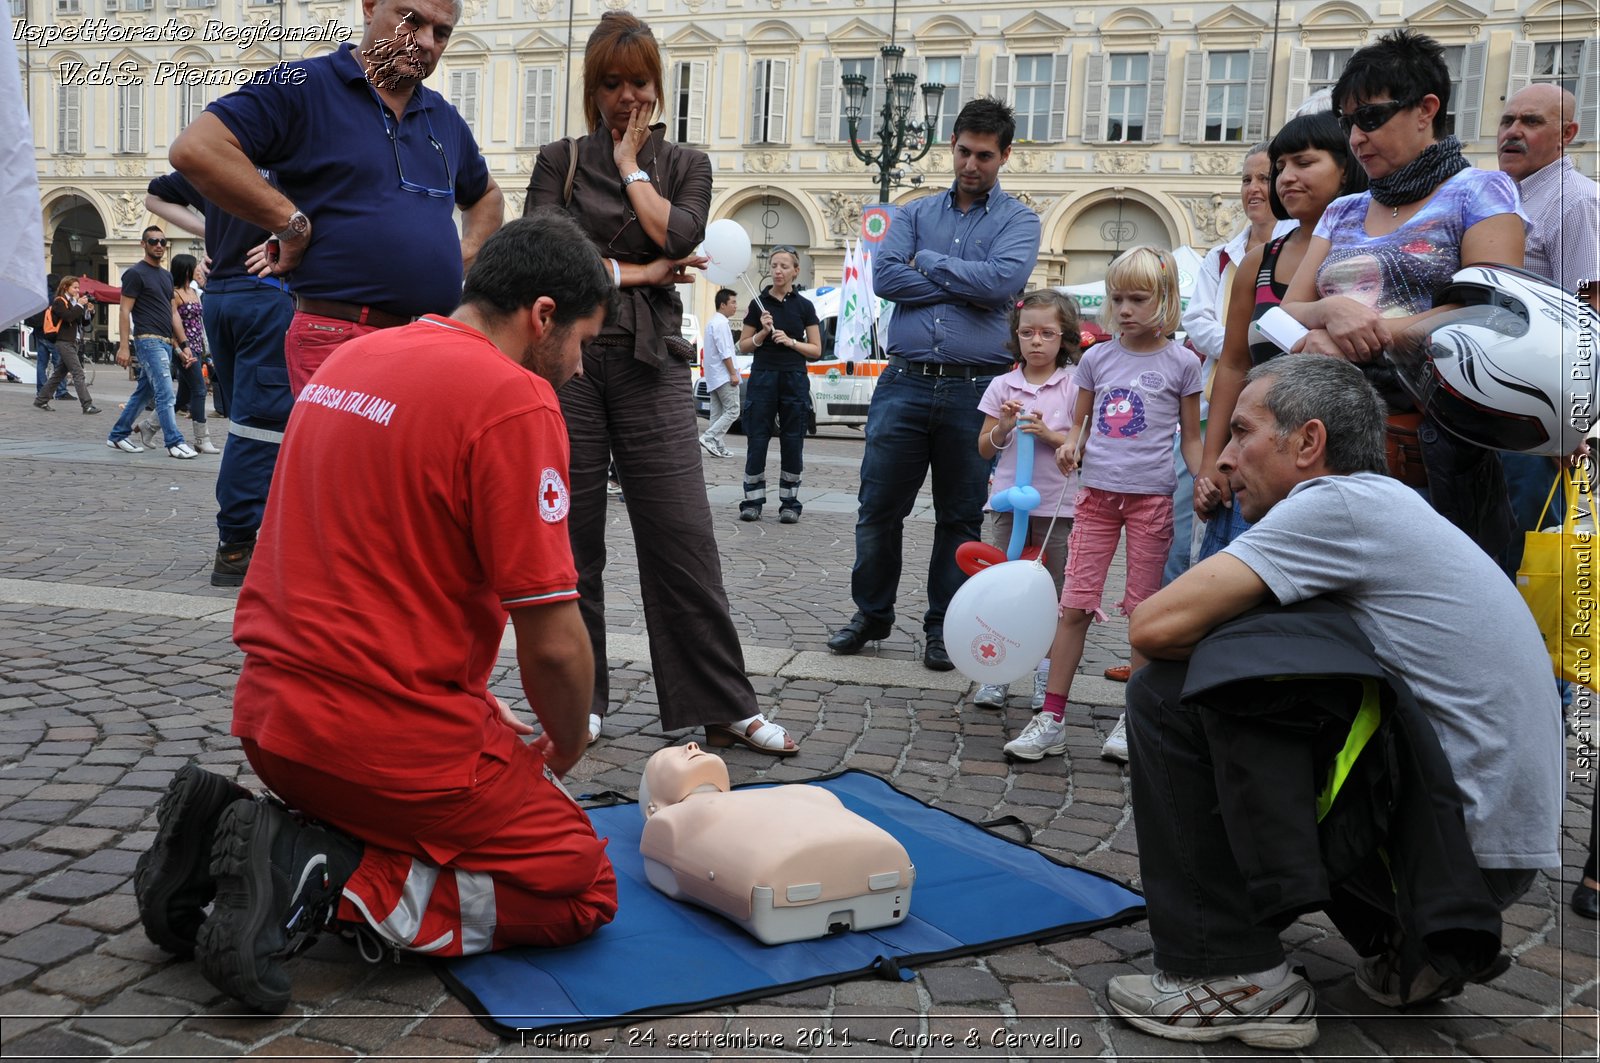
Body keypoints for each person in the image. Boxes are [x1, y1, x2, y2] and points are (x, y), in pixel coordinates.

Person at [133, 212, 620, 1015]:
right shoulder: (516, 401)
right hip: (386, 751)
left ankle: (234, 836)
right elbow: (557, 647)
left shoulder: (354, 358)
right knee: (580, 883)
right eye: (581, 341)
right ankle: (327, 876)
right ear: (541, 317)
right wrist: (561, 747)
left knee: (456, 790)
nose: (576, 365)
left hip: (272, 724)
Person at [1105, 355, 1562, 1049]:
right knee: (1267, 668)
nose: (1224, 460)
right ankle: (1411, 953)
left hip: (1452, 858)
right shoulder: (1391, 504)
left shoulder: (1334, 505)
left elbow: (1153, 628)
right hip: (1488, 859)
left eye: (1242, 433)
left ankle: (1231, 972)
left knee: (1166, 692)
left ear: (1308, 442)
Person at [526, 11, 796, 755]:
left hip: (653, 364)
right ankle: (578, 699)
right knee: (572, 541)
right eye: (610, 83)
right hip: (568, 363)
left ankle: (723, 702)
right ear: (591, 87)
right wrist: (641, 270)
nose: (625, 96)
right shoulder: (559, 162)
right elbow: (546, 259)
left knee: (683, 537)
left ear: (658, 83)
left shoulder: (687, 165)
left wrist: (634, 166)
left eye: (638, 81)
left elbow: (685, 238)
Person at [1278, 29, 1526, 557]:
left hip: (1431, 452)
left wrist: (1357, 334)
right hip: (1327, 443)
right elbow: (1287, 312)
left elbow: (1496, 316)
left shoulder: (1481, 191)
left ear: (1426, 109)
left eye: (1369, 117)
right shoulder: (1343, 208)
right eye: (1347, 123)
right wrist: (1331, 308)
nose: (1356, 138)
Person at [169, 0, 503, 391]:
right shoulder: (303, 86)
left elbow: (486, 196)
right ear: (370, 7)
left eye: (441, 32)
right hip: (338, 336)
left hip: (428, 341)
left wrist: (464, 252)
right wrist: (292, 225)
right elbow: (197, 148)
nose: (427, 41)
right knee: (349, 453)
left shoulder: (443, 117)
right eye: (412, 21)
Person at [827, 97, 1042, 671]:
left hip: (978, 390)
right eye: (965, 152)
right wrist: (963, 284)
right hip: (905, 381)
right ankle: (871, 615)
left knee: (959, 515)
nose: (972, 165)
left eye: (986, 156)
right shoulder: (915, 211)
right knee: (878, 507)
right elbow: (885, 277)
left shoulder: (1019, 220)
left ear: (1005, 156)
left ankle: (942, 627)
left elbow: (1003, 285)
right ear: (952, 144)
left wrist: (930, 265)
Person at [1002, 247, 1200, 763]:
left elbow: (1191, 440)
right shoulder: (1096, 358)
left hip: (1152, 500)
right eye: (1118, 299)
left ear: (1166, 299)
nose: (1126, 309)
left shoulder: (1183, 363)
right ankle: (1052, 716)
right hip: (1095, 499)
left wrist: (1204, 477)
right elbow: (1080, 427)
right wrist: (1070, 446)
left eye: (1139, 298)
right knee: (1074, 605)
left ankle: (1130, 719)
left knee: (1142, 611)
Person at [1496, 83, 1600, 921]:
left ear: (1568, 132)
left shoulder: (1575, 198)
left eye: (1531, 121)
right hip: (1491, 420)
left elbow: (1587, 312)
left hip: (1538, 432)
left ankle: (1532, 761)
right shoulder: (1501, 195)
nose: (1513, 131)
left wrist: (1573, 420)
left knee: (1531, 592)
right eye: (1506, 118)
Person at [1194, 110, 1370, 552]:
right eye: (1280, 168)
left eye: (1304, 163)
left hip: (1330, 469)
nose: (1286, 178)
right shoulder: (1258, 262)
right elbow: (1234, 364)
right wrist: (1214, 460)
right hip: (1254, 465)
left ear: (1346, 166)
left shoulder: (1367, 256)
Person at [147, 169, 297, 586]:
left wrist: (213, 232)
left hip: (224, 299)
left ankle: (245, 538)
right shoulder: (289, 153)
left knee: (249, 423)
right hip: (264, 295)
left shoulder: (222, 157)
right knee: (261, 426)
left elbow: (154, 198)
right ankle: (236, 546)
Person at [1170, 144, 1297, 583]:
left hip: (1273, 409)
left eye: (1263, 178)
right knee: (1191, 515)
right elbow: (1195, 322)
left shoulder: (1299, 248)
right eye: (1246, 180)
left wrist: (1241, 344)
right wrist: (1251, 342)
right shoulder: (1221, 255)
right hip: (1214, 407)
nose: (1254, 189)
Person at [971, 290, 1081, 712]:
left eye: (1047, 333)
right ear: (1016, 336)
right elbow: (985, 447)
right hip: (1005, 507)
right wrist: (1003, 426)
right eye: (1027, 332)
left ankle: (1044, 674)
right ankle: (994, 671)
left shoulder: (1074, 385)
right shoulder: (1003, 385)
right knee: (1000, 589)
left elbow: (1080, 448)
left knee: (1051, 595)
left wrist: (1052, 437)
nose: (1036, 341)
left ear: (1064, 337)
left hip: (1058, 510)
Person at [737, 246, 822, 523]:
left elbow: (816, 350)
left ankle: (790, 503)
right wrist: (763, 332)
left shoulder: (804, 306)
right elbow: (744, 345)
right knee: (757, 437)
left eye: (784, 266)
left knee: (792, 439)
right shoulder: (758, 304)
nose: (777, 270)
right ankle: (752, 501)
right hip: (763, 376)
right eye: (774, 265)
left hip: (794, 378)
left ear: (795, 270)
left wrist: (791, 342)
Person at [105, 227, 200, 459]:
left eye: (162, 241)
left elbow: (173, 314)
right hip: (148, 340)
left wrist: (183, 345)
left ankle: (117, 435)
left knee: (144, 393)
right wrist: (124, 346)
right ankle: (174, 441)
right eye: (153, 241)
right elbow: (124, 311)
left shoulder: (166, 276)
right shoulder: (135, 274)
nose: (158, 245)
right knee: (166, 393)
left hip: (166, 342)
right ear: (143, 244)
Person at [166, 254, 218, 455]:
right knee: (200, 390)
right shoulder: (175, 294)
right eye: (195, 267)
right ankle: (201, 439)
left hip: (197, 347)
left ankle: (148, 427)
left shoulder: (195, 292)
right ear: (186, 270)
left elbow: (200, 323)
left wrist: (205, 349)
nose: (199, 270)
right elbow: (171, 326)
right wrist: (179, 351)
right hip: (183, 350)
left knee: (182, 398)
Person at [33, 277, 98, 413]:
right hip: (64, 342)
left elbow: (84, 323)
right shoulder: (59, 302)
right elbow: (68, 317)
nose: (77, 290)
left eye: (78, 288)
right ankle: (87, 405)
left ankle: (41, 400)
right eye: (74, 287)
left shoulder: (75, 302)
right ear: (65, 287)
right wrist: (80, 305)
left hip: (74, 342)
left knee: (58, 374)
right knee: (78, 372)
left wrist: (89, 311)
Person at [699, 287, 741, 458]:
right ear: (723, 305)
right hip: (723, 375)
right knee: (733, 410)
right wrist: (733, 373)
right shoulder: (722, 323)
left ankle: (718, 444)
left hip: (713, 375)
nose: (735, 306)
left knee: (717, 414)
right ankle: (709, 437)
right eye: (733, 302)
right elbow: (725, 351)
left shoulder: (712, 322)